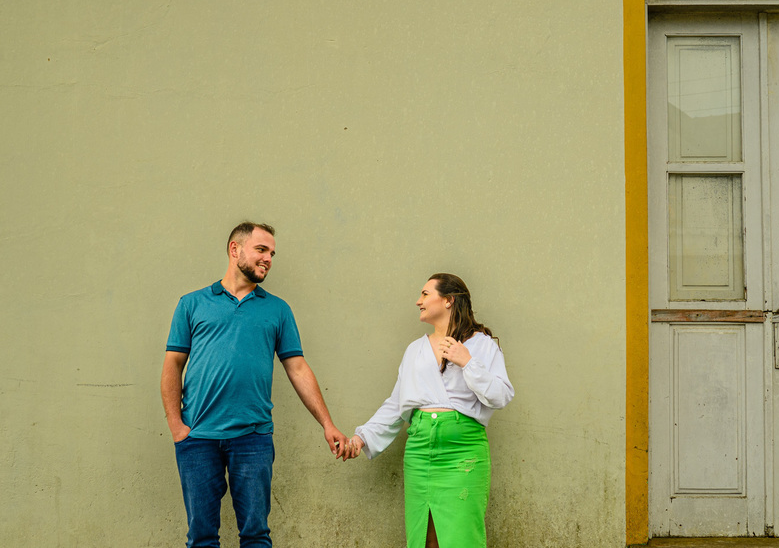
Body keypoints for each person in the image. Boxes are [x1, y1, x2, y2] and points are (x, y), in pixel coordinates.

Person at [160, 222, 348, 548]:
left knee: (256, 537)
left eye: (272, 253)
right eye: (261, 250)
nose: (268, 259)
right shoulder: (192, 304)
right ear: (235, 249)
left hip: (253, 439)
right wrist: (177, 426)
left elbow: (298, 368)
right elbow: (172, 365)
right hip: (198, 437)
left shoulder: (277, 309)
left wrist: (327, 423)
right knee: (201, 538)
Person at [343, 273, 514, 548]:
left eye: (425, 294)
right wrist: (361, 438)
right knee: (426, 537)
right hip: (420, 453)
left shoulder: (482, 345)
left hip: (463, 453)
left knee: (462, 537)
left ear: (448, 300)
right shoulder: (415, 350)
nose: (418, 301)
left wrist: (467, 362)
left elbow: (501, 395)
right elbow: (397, 403)